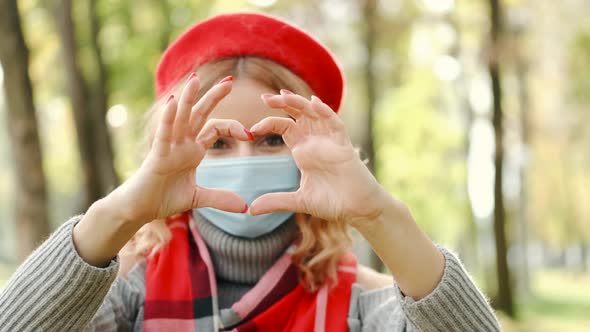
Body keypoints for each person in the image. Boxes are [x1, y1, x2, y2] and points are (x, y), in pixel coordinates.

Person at [0, 13, 500, 331]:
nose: (243, 161)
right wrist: (123, 210)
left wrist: (377, 214)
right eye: (216, 143)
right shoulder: (129, 294)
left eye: (271, 139)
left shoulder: (363, 305)